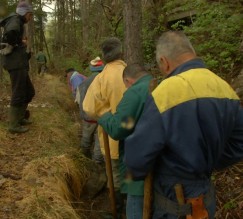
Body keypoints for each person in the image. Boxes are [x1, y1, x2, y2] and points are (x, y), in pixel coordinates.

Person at [124, 31, 243, 219]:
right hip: (205, 197)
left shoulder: (166, 93)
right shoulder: (224, 88)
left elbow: (136, 157)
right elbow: (239, 143)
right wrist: (208, 162)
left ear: (164, 61)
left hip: (174, 201)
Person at [98, 63, 153, 219]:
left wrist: (104, 116)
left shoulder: (136, 92)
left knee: (136, 209)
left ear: (128, 80)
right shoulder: (158, 84)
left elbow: (119, 128)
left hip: (138, 172)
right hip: (160, 169)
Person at [83, 37, 127, 218]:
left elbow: (88, 108)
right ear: (121, 52)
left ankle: (117, 210)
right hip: (135, 135)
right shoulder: (129, 72)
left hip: (113, 137)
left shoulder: (102, 78)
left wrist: (104, 114)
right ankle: (131, 208)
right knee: (131, 172)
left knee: (115, 175)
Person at [1, 1, 35, 133]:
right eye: (29, 14)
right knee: (18, 93)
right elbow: (10, 35)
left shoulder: (16, 21)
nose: (30, 17)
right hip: (15, 64)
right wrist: (20, 42)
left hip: (18, 63)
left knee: (29, 92)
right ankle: (13, 125)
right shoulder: (15, 21)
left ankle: (20, 118)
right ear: (24, 13)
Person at [77, 57, 105, 164]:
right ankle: (97, 165)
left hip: (87, 117)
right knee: (99, 143)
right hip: (102, 118)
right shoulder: (105, 81)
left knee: (86, 139)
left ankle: (84, 161)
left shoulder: (84, 82)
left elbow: (79, 100)